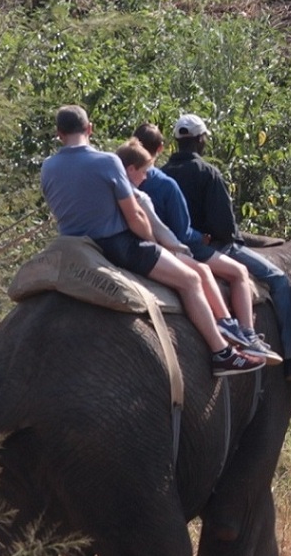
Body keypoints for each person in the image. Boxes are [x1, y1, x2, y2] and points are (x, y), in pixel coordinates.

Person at [39, 106, 269, 373]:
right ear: (89, 128)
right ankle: (222, 352)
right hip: (116, 245)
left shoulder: (48, 166)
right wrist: (153, 242)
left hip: (72, 247)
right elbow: (135, 214)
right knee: (191, 279)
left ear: (59, 134)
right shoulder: (107, 161)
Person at [164, 112, 291, 367]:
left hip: (172, 248)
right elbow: (224, 226)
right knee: (278, 279)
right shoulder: (208, 172)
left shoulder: (161, 174)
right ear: (200, 140)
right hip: (211, 246)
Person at [116, 140, 266, 348]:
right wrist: (191, 244)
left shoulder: (111, 188)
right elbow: (170, 231)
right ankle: (235, 331)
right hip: (167, 245)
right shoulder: (148, 192)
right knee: (229, 272)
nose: (147, 176)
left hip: (125, 245)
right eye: (144, 171)